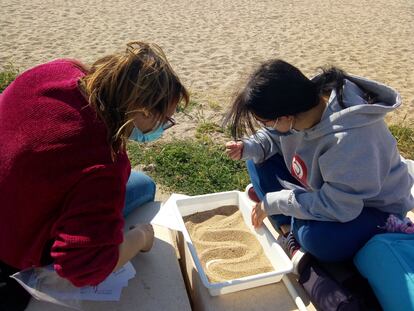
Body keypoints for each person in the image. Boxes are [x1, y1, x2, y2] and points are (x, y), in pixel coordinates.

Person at [0, 41, 189, 310]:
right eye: (164, 120)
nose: (162, 128)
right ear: (144, 112)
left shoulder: (58, 69)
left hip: (17, 190)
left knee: (143, 183)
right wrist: (140, 238)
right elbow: (82, 267)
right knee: (144, 187)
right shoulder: (105, 165)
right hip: (15, 242)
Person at [224, 59, 414, 274]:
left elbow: (340, 207)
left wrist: (275, 202)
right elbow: (272, 137)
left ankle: (294, 227)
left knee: (318, 239)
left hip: (371, 209)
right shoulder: (303, 105)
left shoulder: (349, 139)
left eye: (265, 122)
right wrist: (247, 146)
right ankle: (289, 228)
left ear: (284, 117)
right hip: (324, 189)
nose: (265, 127)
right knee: (257, 157)